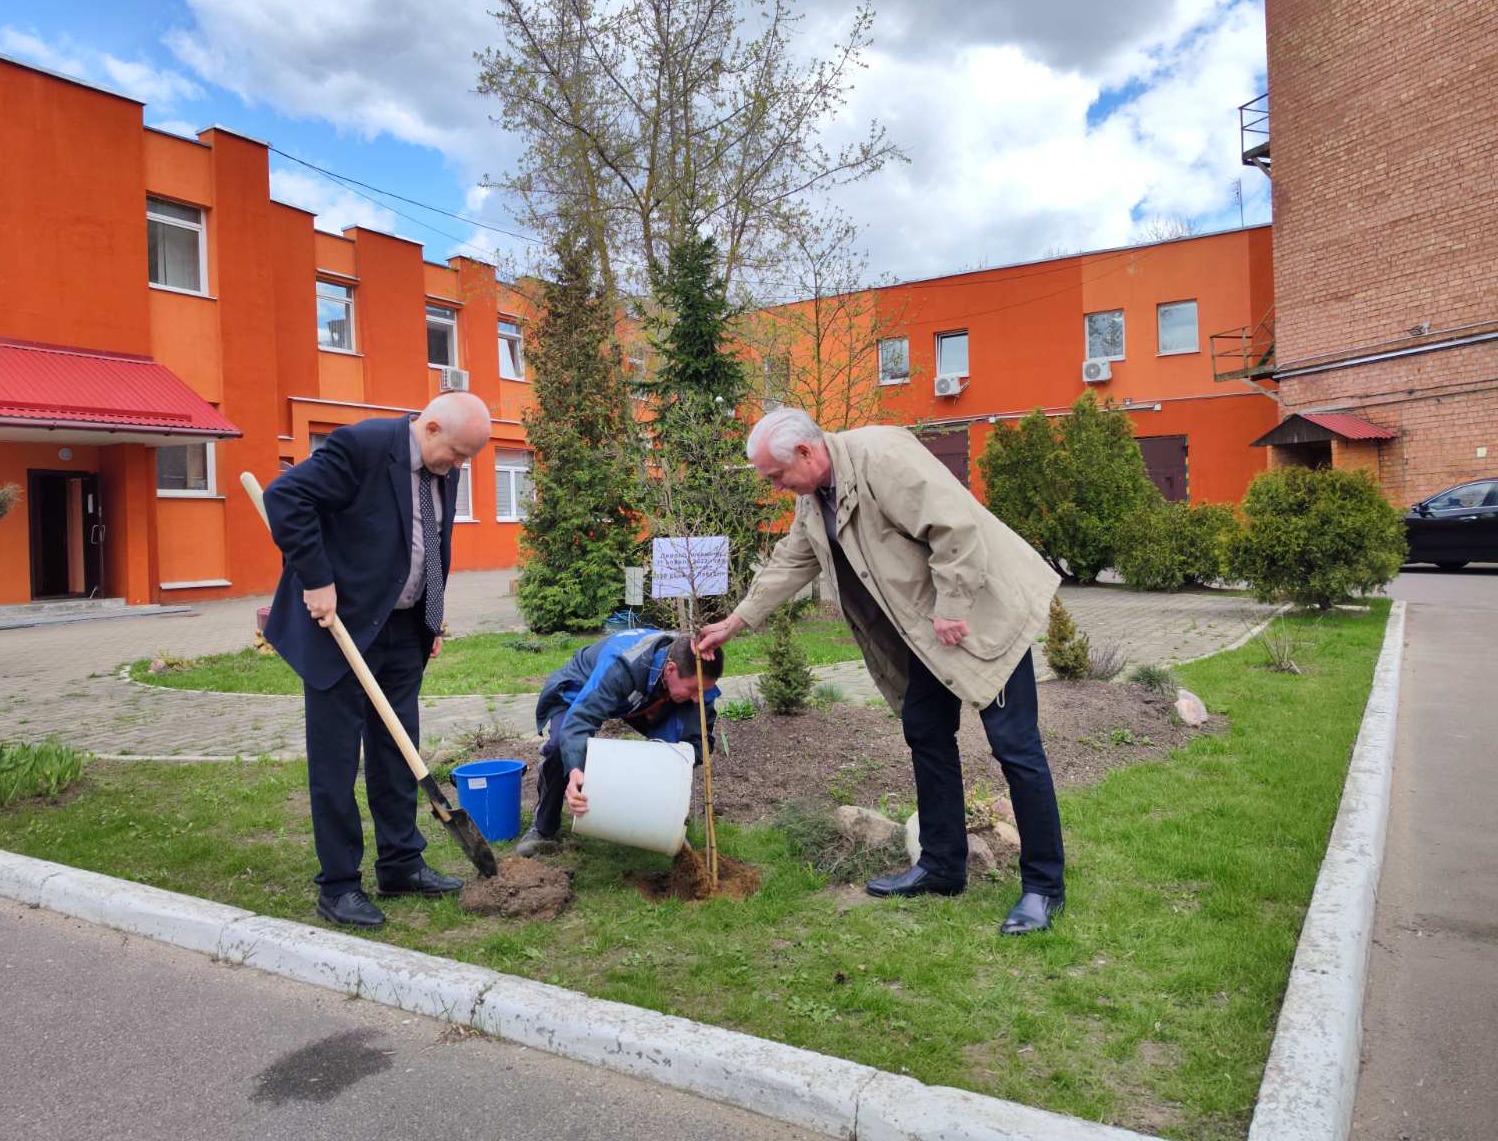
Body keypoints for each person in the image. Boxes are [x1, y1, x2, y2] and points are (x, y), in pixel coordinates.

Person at [697, 408, 1066, 934]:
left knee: (1015, 746)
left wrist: (954, 606)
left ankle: (1043, 888)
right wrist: (734, 622)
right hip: (925, 633)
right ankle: (942, 866)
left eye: (776, 476)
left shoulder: (881, 457)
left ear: (805, 452)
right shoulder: (814, 497)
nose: (777, 487)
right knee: (926, 732)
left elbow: (955, 525)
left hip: (979, 615)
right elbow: (791, 560)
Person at [262, 392, 492, 928]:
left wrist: (431, 614)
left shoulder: (447, 463)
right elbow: (285, 499)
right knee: (336, 762)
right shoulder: (361, 446)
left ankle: (401, 864)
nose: (459, 466)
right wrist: (317, 580)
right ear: (431, 427)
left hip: (403, 630)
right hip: (339, 629)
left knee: (396, 752)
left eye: (466, 459)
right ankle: (339, 886)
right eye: (456, 454)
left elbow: (433, 539)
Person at [515, 629, 724, 857]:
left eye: (703, 690)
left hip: (639, 698)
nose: (698, 698)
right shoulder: (622, 665)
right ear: (671, 669)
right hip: (581, 690)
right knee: (559, 747)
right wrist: (575, 768)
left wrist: (675, 764)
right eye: (693, 689)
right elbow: (581, 718)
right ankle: (543, 828)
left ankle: (661, 825)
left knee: (677, 753)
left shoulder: (693, 675)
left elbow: (698, 743)